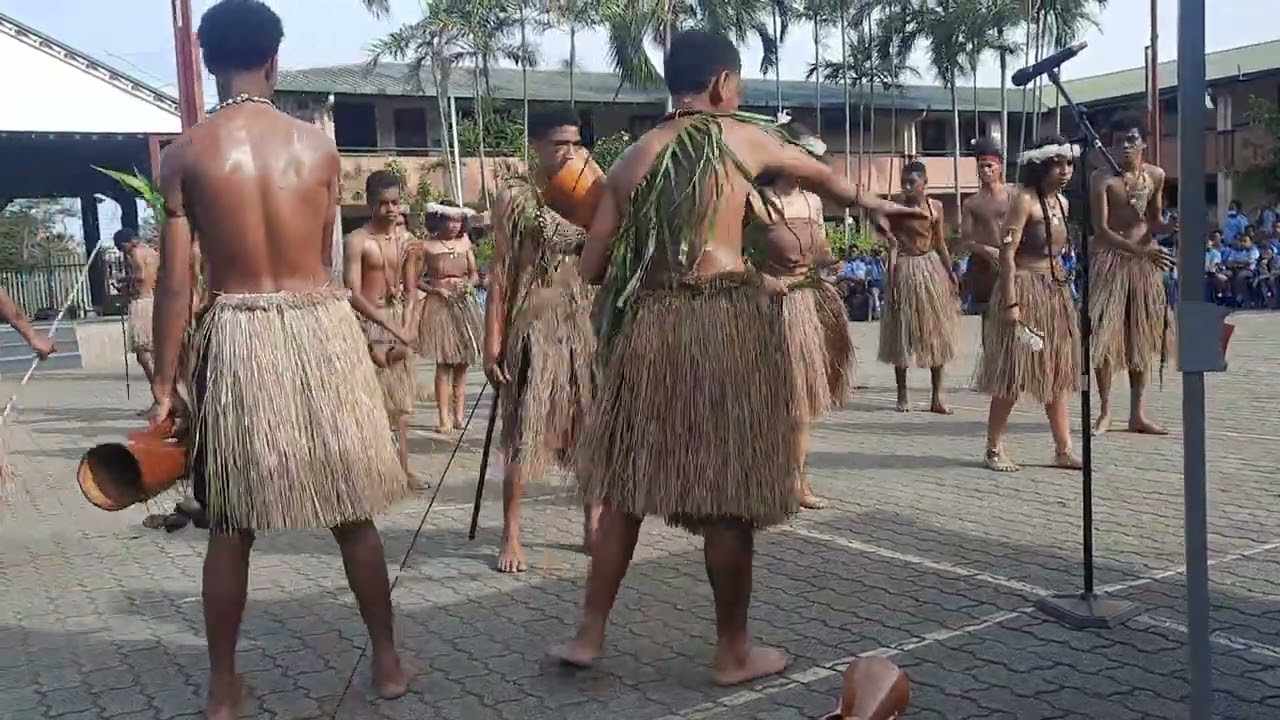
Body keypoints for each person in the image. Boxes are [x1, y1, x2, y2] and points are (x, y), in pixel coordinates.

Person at [553, 28, 926, 686]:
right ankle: (731, 651)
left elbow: (591, 270)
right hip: (721, 324)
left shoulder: (631, 158)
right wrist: (875, 204)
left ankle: (588, 634)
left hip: (651, 333)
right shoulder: (740, 136)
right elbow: (819, 176)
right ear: (724, 84)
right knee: (729, 499)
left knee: (622, 494)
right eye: (740, 84)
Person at [145, 2, 410, 716]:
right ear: (275, 59)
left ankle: (224, 687)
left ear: (207, 63)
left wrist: (165, 384)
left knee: (230, 522)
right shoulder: (317, 150)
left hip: (238, 333)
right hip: (318, 329)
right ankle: (386, 662)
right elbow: (324, 259)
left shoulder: (187, 154)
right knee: (353, 512)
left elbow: (177, 283)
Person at [483, 106, 602, 573]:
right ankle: (511, 534)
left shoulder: (589, 188)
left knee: (589, 427)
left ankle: (593, 522)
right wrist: (493, 341)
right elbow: (500, 269)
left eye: (574, 143)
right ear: (535, 144)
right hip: (534, 320)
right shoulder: (516, 196)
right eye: (559, 144)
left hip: (583, 318)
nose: (568, 152)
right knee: (523, 430)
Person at [747, 123, 855, 511]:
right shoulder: (756, 202)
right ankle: (760, 477)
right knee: (770, 400)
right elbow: (729, 254)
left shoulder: (811, 203)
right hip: (764, 311)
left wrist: (831, 261)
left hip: (804, 307)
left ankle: (797, 480)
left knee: (800, 402)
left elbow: (820, 247)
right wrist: (760, 279)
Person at [974, 136, 1084, 472]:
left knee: (1056, 372)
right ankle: (993, 448)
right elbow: (1007, 255)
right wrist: (1011, 303)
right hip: (1024, 287)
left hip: (1055, 291)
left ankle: (1063, 449)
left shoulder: (1061, 203)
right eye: (1057, 164)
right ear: (1041, 165)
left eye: (1069, 163)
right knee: (1014, 373)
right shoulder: (1023, 200)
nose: (1065, 171)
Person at [1088, 112, 1176, 436]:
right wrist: (1140, 250)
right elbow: (1101, 230)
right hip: (1111, 260)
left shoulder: (1156, 175)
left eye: (1130, 141)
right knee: (1104, 338)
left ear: (1143, 144)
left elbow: (1153, 218)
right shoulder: (1102, 179)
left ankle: (1137, 414)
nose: (1123, 147)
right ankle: (1106, 411)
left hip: (1144, 265)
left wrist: (1169, 226)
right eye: (1117, 141)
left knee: (1141, 335)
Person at [343, 170, 424, 487]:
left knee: (400, 406)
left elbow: (413, 289)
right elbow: (352, 292)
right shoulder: (357, 241)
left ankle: (403, 470)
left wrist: (408, 326)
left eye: (395, 203)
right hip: (367, 325)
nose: (390, 210)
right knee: (369, 405)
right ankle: (372, 471)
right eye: (383, 204)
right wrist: (384, 330)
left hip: (398, 323)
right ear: (369, 203)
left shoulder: (407, 241)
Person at [877, 161, 961, 413]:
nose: (906, 186)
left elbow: (940, 243)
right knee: (902, 333)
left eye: (911, 182)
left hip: (931, 269)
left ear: (925, 183)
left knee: (936, 334)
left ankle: (937, 396)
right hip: (905, 268)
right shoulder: (895, 210)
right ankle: (902, 394)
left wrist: (950, 272)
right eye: (903, 182)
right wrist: (891, 281)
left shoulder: (935, 207)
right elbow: (893, 247)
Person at [405, 200, 482, 434]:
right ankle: (443, 418)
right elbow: (414, 279)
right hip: (440, 306)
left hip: (464, 304)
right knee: (444, 363)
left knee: (463, 363)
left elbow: (474, 274)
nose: (455, 226)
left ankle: (459, 416)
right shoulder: (426, 246)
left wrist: (469, 285)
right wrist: (435, 290)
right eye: (451, 220)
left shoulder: (465, 243)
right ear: (440, 220)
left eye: (459, 221)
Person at [959, 138, 1010, 314]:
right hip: (985, 266)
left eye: (989, 166)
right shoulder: (972, 203)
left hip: (1014, 260)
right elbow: (966, 241)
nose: (985, 170)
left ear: (1000, 167)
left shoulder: (1015, 195)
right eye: (981, 166)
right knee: (990, 317)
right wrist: (988, 251)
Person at [114, 227, 160, 389]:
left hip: (141, 302)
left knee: (144, 352)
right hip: (153, 300)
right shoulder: (152, 252)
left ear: (127, 243)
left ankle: (159, 394)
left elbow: (141, 276)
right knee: (154, 351)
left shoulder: (135, 254)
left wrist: (124, 279)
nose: (123, 252)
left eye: (121, 248)